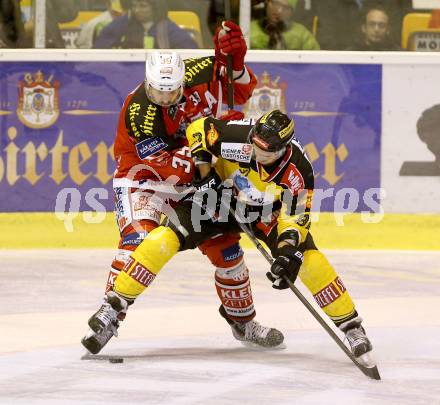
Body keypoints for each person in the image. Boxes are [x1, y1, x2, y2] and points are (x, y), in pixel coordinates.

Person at [83, 110, 374, 361]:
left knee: (308, 261)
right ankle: (113, 306)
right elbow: (199, 129)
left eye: (266, 151)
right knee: (163, 239)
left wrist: (286, 254)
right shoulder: (239, 135)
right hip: (215, 200)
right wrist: (204, 169)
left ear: (283, 149)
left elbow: (295, 220)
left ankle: (351, 327)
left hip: (264, 211)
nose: (257, 153)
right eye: (255, 145)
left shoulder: (299, 171)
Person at [81, 21, 260, 353]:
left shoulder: (202, 72)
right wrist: (214, 161)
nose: (164, 97)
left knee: (228, 250)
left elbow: (245, 88)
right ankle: (110, 316)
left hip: (196, 177)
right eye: (157, 90)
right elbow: (167, 164)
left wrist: (234, 66)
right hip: (144, 180)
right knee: (138, 241)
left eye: (171, 90)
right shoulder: (140, 113)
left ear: (183, 81)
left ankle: (244, 322)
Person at [94, 0, 198, 49]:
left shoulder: (167, 28)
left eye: (142, 6)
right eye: (134, 5)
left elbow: (190, 51)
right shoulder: (123, 23)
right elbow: (98, 49)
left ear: (155, 7)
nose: (136, 10)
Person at [250, 0, 320, 50]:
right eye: (276, 4)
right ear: (267, 2)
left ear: (292, 12)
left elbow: (316, 62)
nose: (279, 11)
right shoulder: (249, 30)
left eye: (286, 8)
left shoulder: (302, 35)